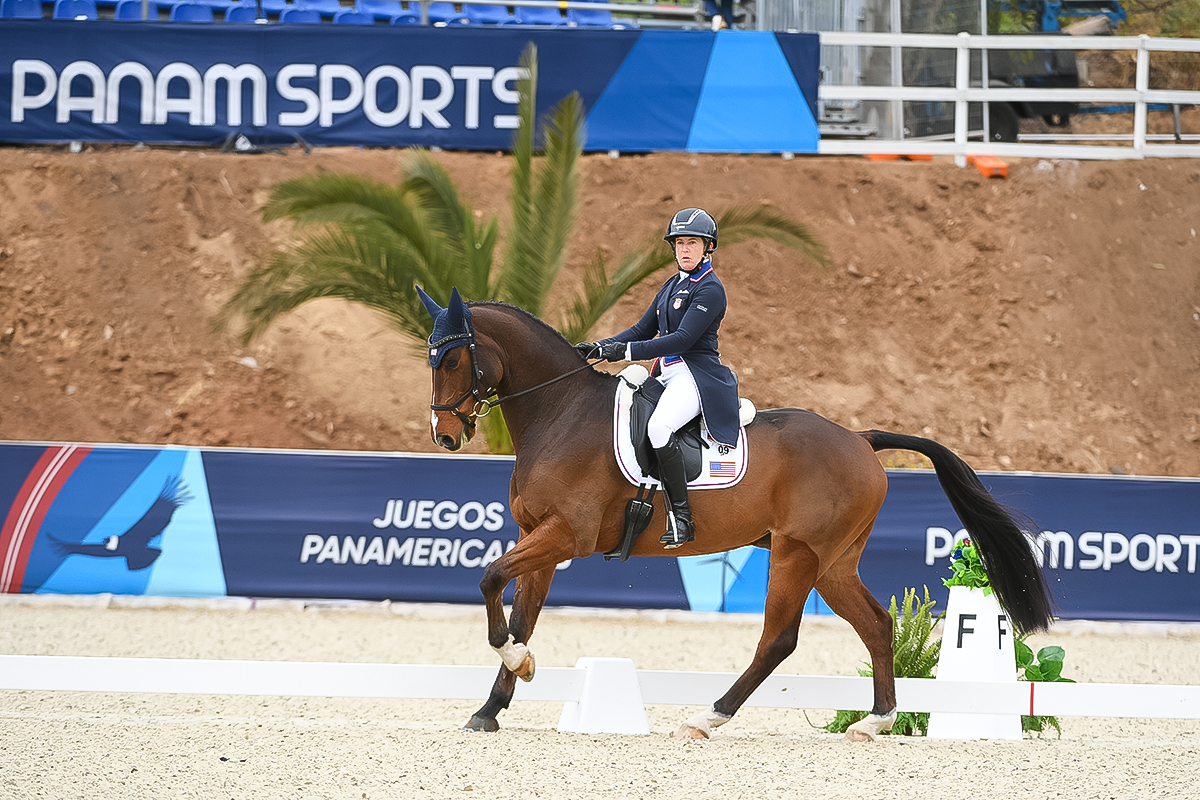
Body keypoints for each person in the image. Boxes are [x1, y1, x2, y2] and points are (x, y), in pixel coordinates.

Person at [575, 208, 740, 549]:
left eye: (692, 243)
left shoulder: (710, 289)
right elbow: (641, 329)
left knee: (659, 428)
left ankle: (682, 518)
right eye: (679, 243)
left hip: (695, 376)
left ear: (708, 247)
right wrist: (600, 347)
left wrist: (625, 351)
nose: (684, 249)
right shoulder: (672, 284)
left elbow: (682, 339)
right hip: (665, 373)